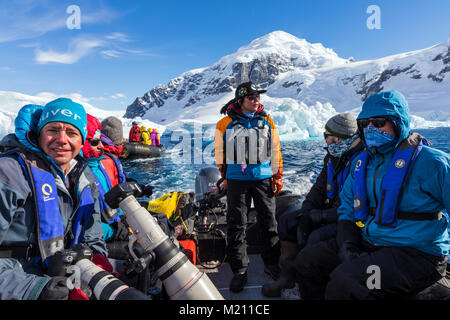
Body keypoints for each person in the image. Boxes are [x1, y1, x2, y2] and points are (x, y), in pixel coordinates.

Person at [295, 90, 450, 299]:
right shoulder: (361, 163)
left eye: (378, 122)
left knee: (347, 282)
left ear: (398, 123)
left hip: (416, 254)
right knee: (308, 261)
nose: (370, 128)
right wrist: (347, 244)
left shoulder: (434, 163)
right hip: (371, 241)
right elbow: (347, 208)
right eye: (365, 123)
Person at [0, 98, 110, 300]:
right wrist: (35, 289)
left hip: (65, 277)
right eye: (52, 129)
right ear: (38, 134)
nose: (62, 139)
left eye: (72, 133)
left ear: (82, 139)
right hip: (17, 283)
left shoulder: (85, 180)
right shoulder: (8, 173)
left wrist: (96, 261)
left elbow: (92, 238)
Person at [262, 112, 363, 297]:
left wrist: (323, 217)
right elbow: (318, 190)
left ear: (344, 137)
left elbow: (357, 206)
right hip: (330, 211)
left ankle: (314, 285)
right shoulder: (333, 156)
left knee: (316, 237)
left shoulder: (363, 161)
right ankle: (287, 276)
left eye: (328, 136)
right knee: (288, 221)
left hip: (349, 220)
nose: (326, 141)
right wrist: (306, 213)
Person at [214, 81, 284, 293]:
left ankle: (272, 264)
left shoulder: (267, 120)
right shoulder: (224, 123)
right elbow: (220, 152)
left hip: (263, 178)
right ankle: (240, 270)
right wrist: (225, 176)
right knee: (237, 224)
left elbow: (275, 148)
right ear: (241, 99)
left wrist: (278, 175)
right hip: (236, 180)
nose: (256, 100)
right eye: (252, 97)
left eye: (258, 97)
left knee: (269, 223)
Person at [81, 114, 129, 242]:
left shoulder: (99, 163)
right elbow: (82, 223)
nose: (101, 146)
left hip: (113, 221)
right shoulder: (82, 172)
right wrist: (114, 231)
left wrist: (121, 218)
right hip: (103, 234)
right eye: (95, 142)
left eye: (101, 141)